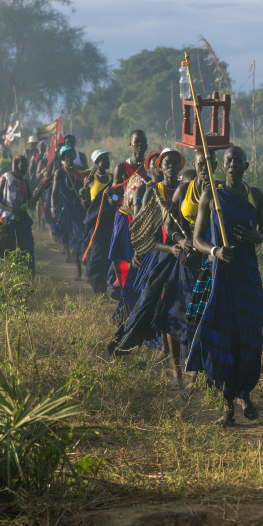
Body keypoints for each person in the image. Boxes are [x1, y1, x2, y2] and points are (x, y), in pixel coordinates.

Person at [187, 146, 263, 427]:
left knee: (251, 335)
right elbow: (197, 239)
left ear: (247, 163)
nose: (233, 165)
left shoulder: (254, 195)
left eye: (238, 161)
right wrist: (215, 251)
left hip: (247, 275)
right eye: (228, 161)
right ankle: (228, 407)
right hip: (222, 274)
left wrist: (254, 236)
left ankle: (245, 393)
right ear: (222, 165)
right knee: (224, 336)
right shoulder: (212, 196)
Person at [107, 148, 186, 376]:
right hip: (160, 254)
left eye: (175, 163)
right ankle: (122, 342)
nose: (171, 166)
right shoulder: (153, 192)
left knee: (173, 304)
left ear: (180, 167)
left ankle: (173, 355)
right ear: (160, 167)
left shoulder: (185, 190)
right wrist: (167, 248)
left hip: (182, 256)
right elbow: (143, 234)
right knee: (147, 303)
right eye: (167, 163)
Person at [152, 150, 219, 386]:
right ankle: (176, 372)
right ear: (194, 164)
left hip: (211, 262)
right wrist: (180, 241)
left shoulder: (221, 192)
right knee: (174, 315)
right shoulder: (184, 190)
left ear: (216, 165)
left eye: (209, 164)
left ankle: (196, 372)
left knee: (203, 318)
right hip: (187, 261)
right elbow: (169, 223)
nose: (205, 168)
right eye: (201, 164)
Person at [108, 130, 151, 289]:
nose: (140, 145)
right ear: (130, 144)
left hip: (145, 218)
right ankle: (120, 285)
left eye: (143, 142)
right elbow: (113, 195)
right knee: (124, 257)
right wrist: (114, 199)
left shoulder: (151, 167)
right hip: (125, 217)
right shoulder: (122, 168)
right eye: (137, 142)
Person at [0, 154, 35, 274]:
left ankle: (31, 277)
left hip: (21, 218)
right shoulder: (7, 178)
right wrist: (12, 210)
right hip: (7, 218)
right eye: (22, 165)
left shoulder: (24, 181)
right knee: (8, 249)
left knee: (28, 248)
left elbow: (30, 199)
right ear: (16, 165)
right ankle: (9, 274)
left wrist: (29, 204)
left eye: (26, 166)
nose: (25, 168)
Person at [81, 150, 116, 294]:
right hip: (96, 225)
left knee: (109, 255)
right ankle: (97, 287)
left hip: (111, 224)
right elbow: (88, 206)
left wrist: (111, 199)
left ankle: (106, 286)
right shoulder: (90, 180)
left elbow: (116, 200)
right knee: (96, 255)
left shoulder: (113, 178)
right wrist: (83, 198)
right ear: (96, 163)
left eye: (107, 159)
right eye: (103, 159)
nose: (107, 162)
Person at [51, 145, 87, 280]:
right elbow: (54, 192)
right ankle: (79, 271)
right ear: (63, 158)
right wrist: (53, 208)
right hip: (67, 211)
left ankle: (88, 269)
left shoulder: (81, 170)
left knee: (84, 238)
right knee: (74, 240)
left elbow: (88, 187)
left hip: (81, 209)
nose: (70, 158)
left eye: (71, 155)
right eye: (67, 156)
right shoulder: (59, 172)